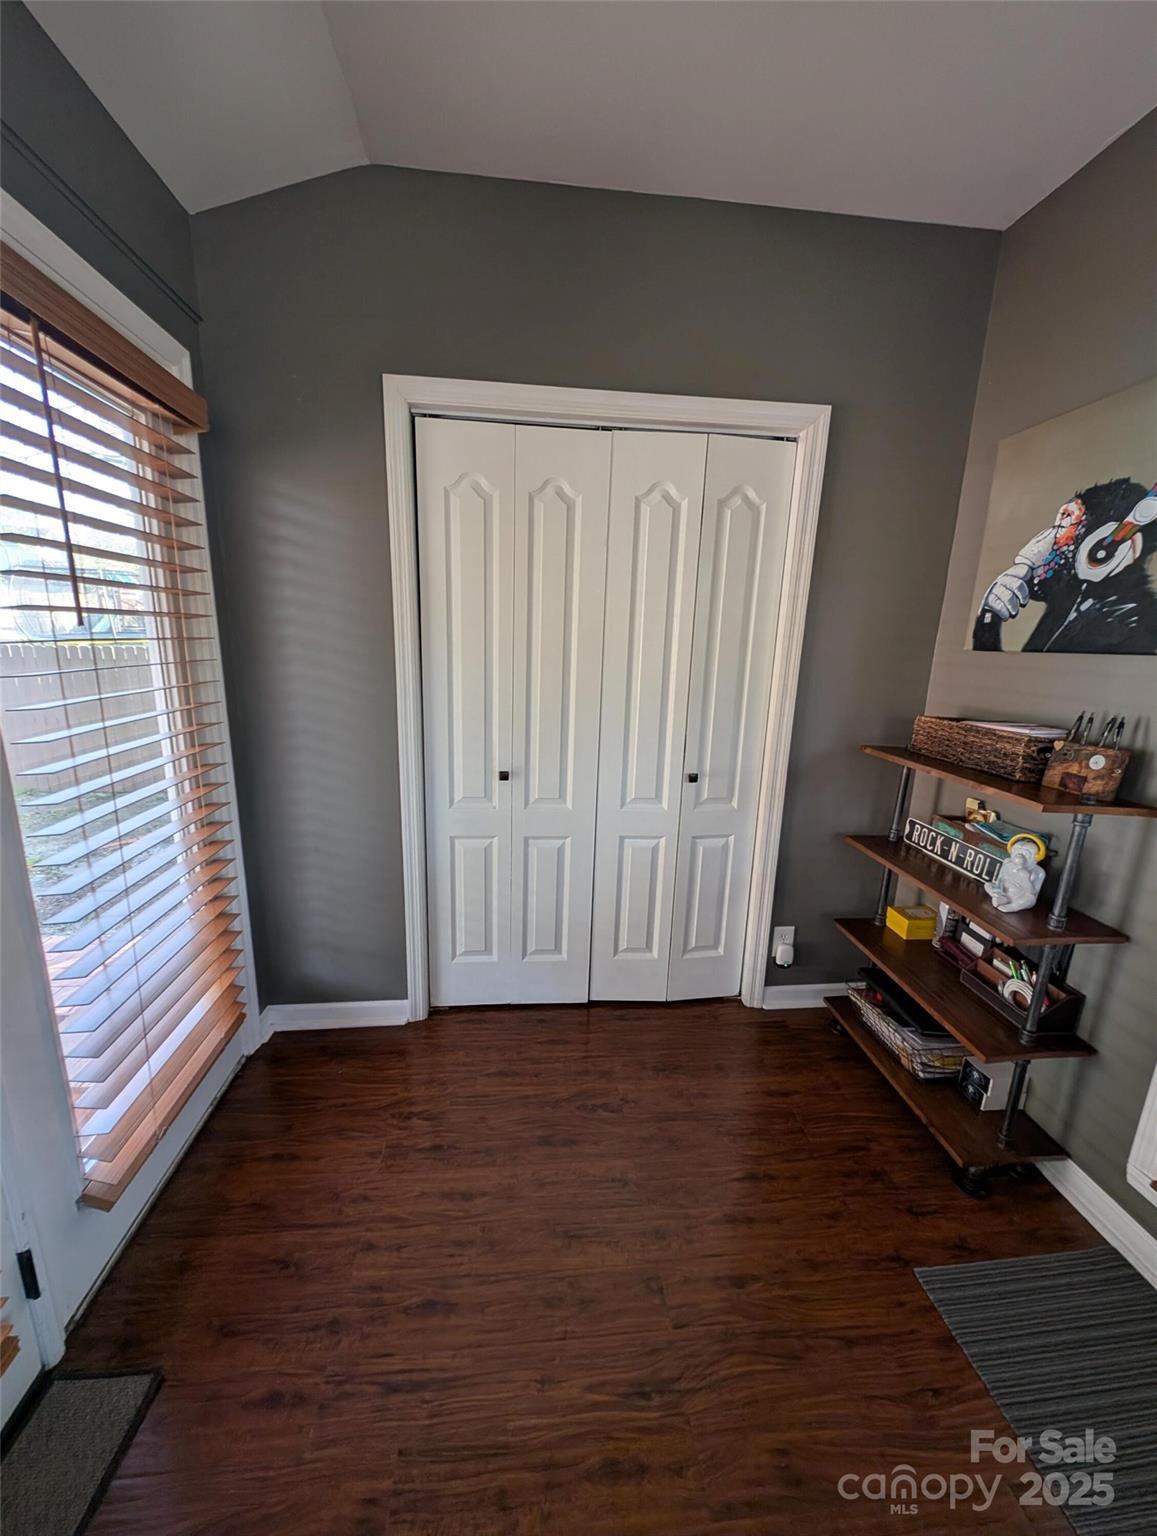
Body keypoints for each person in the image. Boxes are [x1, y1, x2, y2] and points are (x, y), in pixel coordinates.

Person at [973, 479, 1157, 653]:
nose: (1055, 539)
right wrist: (989, 618)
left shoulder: (1135, 624)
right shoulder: (1070, 599)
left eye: (1072, 523)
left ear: (1109, 551)